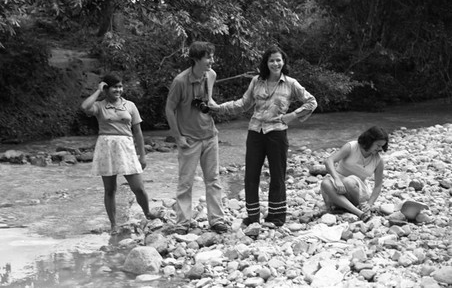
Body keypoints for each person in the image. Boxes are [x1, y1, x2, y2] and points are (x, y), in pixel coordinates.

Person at [211, 45, 317, 227]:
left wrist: (293, 115)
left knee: (278, 175)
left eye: (278, 60)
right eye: (271, 60)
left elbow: (311, 102)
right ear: (266, 63)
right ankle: (252, 217)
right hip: (255, 132)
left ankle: (276, 217)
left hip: (277, 133)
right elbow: (243, 104)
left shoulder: (291, 84)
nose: (275, 64)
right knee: (251, 175)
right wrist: (219, 108)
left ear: (283, 62)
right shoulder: (256, 81)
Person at [81, 72, 157, 234]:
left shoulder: (130, 105)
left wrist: (142, 155)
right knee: (110, 189)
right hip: (106, 147)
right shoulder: (100, 105)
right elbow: (85, 107)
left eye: (120, 86)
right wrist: (98, 91)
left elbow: (138, 132)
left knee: (138, 187)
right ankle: (113, 224)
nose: (118, 90)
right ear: (107, 89)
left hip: (126, 146)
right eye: (114, 87)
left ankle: (147, 212)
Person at [165, 41, 227, 234]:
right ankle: (183, 223)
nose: (211, 61)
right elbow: (169, 109)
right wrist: (178, 137)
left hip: (210, 135)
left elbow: (208, 100)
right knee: (185, 182)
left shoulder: (211, 75)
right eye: (208, 57)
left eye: (212, 56)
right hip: (189, 138)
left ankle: (217, 220)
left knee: (213, 179)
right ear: (196, 59)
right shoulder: (180, 81)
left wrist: (215, 106)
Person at [320, 126, 388, 222]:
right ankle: (358, 213)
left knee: (349, 181)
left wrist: (370, 204)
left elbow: (378, 185)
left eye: (382, 146)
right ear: (369, 141)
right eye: (378, 145)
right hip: (338, 187)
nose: (380, 149)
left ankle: (354, 210)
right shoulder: (351, 147)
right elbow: (329, 160)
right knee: (325, 183)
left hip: (357, 191)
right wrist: (336, 179)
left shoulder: (378, 160)